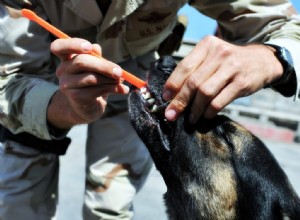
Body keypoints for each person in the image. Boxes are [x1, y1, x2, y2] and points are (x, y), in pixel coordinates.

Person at [0, 0, 299, 219]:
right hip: (38, 86)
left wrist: (272, 57)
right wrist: (65, 108)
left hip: (137, 74)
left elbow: (282, 22)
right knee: (19, 207)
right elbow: (7, 80)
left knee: (109, 207)